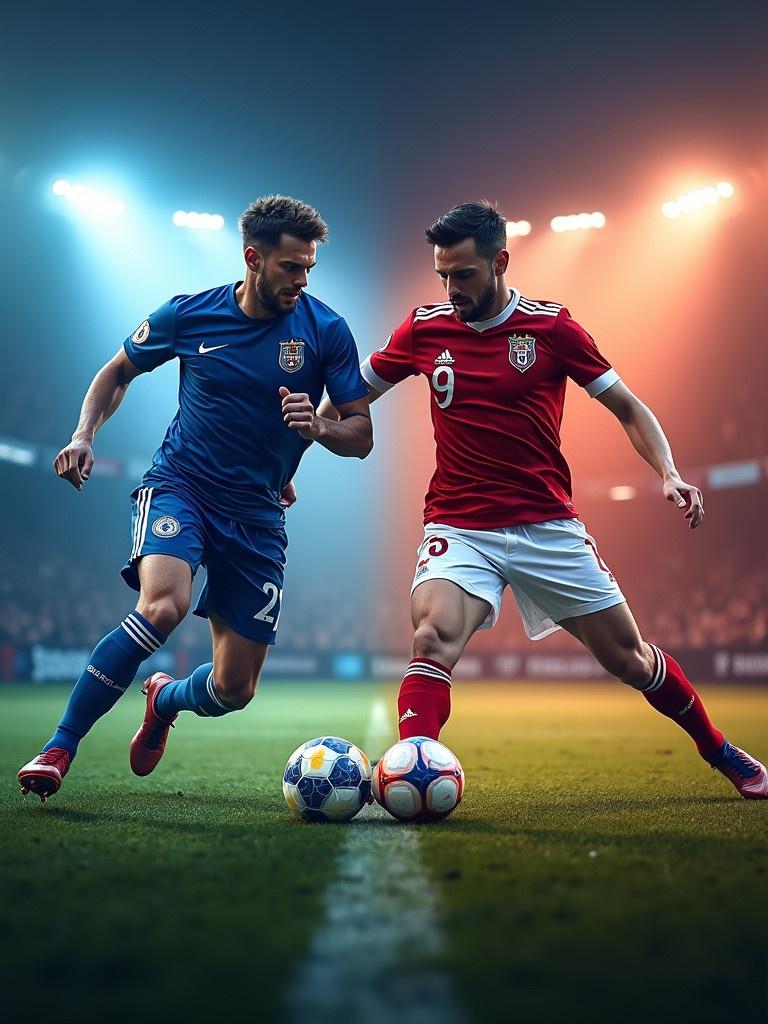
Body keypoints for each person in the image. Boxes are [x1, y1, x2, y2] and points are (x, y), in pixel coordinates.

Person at [324, 200, 767, 800]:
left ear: (500, 261)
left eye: (464, 275)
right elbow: (350, 402)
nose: (451, 288)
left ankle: (717, 748)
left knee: (631, 660)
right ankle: (412, 765)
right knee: (431, 639)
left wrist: (668, 472)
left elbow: (629, 408)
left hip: (548, 526)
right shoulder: (424, 330)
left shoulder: (552, 328)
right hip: (460, 525)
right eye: (443, 276)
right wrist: (304, 444)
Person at [18, 194, 372, 801]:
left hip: (258, 513)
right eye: (291, 266)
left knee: (235, 690)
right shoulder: (190, 315)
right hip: (181, 484)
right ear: (252, 258)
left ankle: (165, 698)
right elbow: (116, 372)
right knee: (163, 606)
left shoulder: (327, 331)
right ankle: (59, 747)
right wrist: (83, 435)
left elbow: (361, 435)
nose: (302, 279)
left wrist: (317, 430)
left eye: (309, 267)